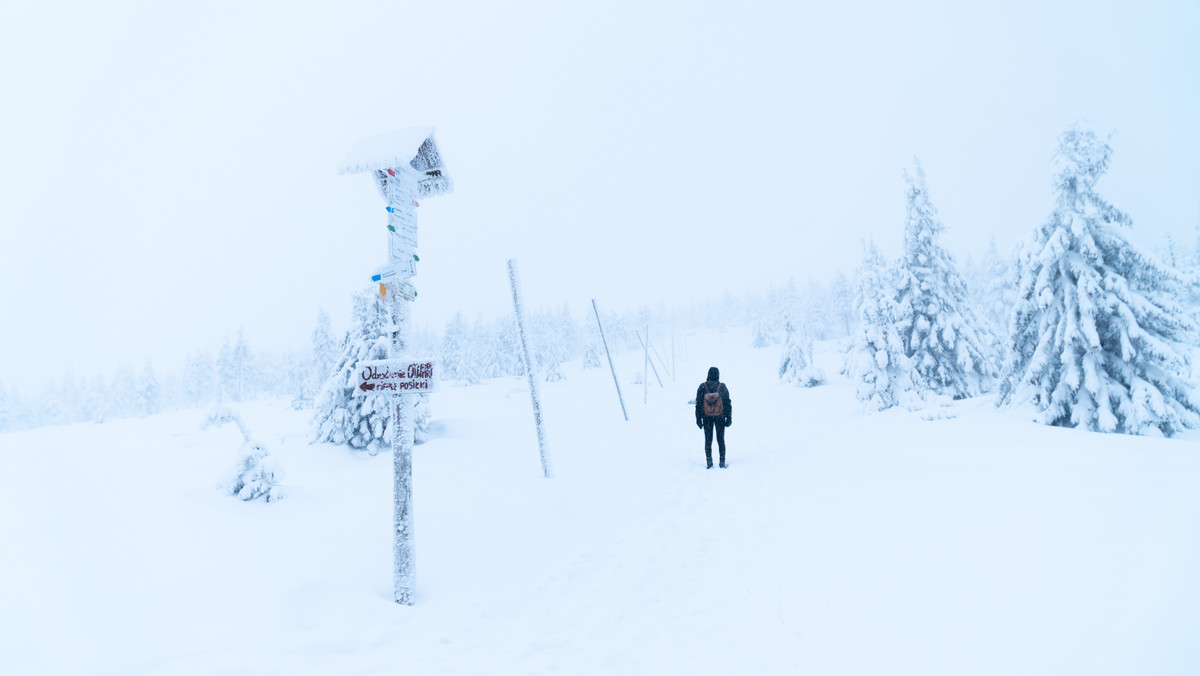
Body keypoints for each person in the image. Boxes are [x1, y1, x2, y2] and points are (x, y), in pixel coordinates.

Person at [694, 366, 732, 469]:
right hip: (720, 416)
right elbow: (727, 403)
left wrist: (698, 419)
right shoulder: (722, 387)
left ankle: (709, 463)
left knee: (708, 440)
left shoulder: (703, 387)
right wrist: (729, 418)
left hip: (706, 418)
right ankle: (722, 462)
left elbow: (698, 404)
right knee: (721, 440)